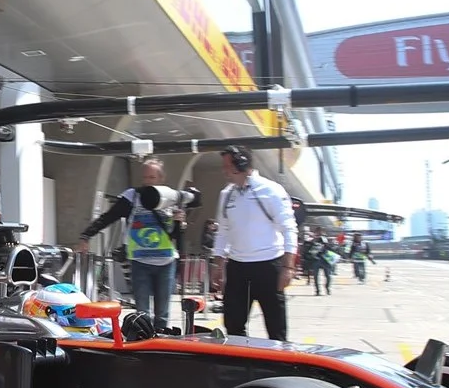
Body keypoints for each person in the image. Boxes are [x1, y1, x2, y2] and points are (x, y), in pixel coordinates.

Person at [74, 157, 190, 329]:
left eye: (152, 177)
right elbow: (109, 216)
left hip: (165, 261)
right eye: (145, 177)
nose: (148, 181)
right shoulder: (133, 196)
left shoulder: (171, 197)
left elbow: (173, 234)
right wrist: (86, 236)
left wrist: (179, 223)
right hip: (140, 261)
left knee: (162, 314)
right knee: (142, 313)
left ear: (161, 178)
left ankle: (160, 346)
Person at [211, 145, 298, 340]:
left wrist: (288, 267)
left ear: (241, 164)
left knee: (276, 328)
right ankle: (239, 367)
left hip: (268, 266)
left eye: (227, 166)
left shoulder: (270, 190)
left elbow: (289, 228)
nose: (224, 171)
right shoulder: (226, 195)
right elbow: (223, 231)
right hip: (237, 268)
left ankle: (279, 366)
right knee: (233, 324)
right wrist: (217, 264)